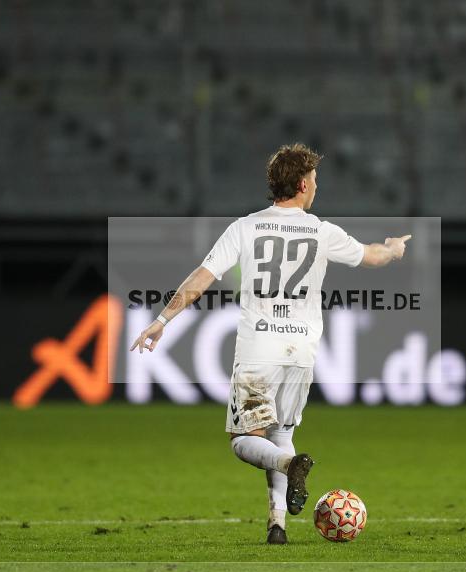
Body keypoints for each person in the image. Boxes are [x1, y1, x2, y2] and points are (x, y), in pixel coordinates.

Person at [130, 143, 411, 544]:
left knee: (245, 440)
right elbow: (372, 256)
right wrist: (395, 249)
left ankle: (288, 465)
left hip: (259, 349)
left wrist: (161, 319)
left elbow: (202, 278)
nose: (316, 187)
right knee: (280, 433)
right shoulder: (321, 231)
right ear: (301, 184)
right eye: (314, 180)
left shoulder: (245, 227)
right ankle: (277, 525)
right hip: (301, 353)